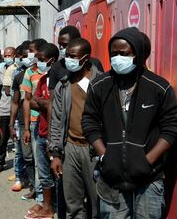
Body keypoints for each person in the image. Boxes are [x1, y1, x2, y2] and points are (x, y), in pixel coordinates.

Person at [82, 27, 177, 219]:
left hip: (149, 180)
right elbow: (89, 122)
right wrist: (105, 155)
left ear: (138, 53)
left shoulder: (158, 87)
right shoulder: (99, 85)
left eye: (124, 53)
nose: (118, 58)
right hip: (111, 179)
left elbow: (171, 128)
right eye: (114, 53)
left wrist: (147, 160)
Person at [50, 38, 103, 219]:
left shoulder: (103, 83)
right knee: (73, 204)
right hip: (70, 148)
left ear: (85, 58)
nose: (69, 60)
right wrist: (56, 153)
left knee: (97, 203)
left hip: (94, 150)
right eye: (67, 56)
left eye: (73, 56)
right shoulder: (63, 85)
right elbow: (56, 120)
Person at [24, 43, 60, 219]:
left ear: (52, 60)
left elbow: (57, 107)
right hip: (41, 131)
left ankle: (56, 207)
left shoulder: (62, 80)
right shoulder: (43, 80)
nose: (38, 63)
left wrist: (44, 103)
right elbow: (32, 101)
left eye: (42, 60)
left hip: (55, 135)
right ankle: (46, 207)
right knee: (44, 173)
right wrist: (46, 103)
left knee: (57, 174)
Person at [8, 42, 33, 192]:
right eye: (22, 56)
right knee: (22, 153)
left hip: (37, 122)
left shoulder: (43, 75)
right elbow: (15, 101)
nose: (24, 59)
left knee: (35, 157)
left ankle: (36, 187)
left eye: (27, 56)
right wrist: (12, 124)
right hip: (22, 122)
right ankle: (22, 179)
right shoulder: (19, 76)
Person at [0, 46, 16, 174]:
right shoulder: (0, 71)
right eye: (6, 55)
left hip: (17, 109)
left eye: (10, 55)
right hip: (4, 109)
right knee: (2, 139)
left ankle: (20, 168)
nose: (8, 58)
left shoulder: (18, 69)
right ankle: (0, 162)